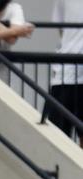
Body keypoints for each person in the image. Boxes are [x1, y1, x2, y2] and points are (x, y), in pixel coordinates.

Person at [47, 0, 83, 144]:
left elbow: (60, 28)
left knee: (59, 136)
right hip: (65, 72)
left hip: (65, 72)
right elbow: (61, 28)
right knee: (58, 136)